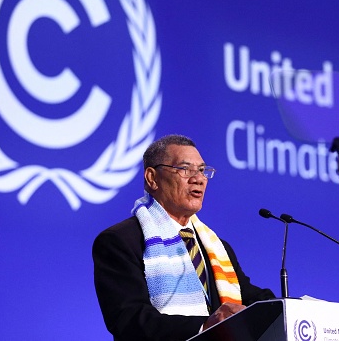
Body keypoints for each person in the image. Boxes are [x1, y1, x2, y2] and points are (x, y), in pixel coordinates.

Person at [93, 134, 275, 341]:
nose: (198, 178)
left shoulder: (217, 247)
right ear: (152, 178)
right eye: (185, 169)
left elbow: (247, 297)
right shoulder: (120, 241)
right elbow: (129, 319)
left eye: (201, 170)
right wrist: (203, 326)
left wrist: (289, 308)